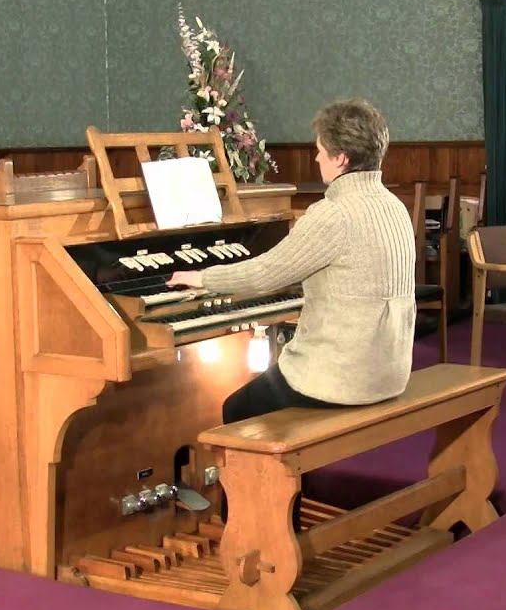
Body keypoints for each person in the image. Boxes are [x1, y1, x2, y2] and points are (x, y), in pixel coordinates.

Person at [166, 99, 416, 426]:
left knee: (235, 409)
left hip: (343, 379)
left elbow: (263, 274)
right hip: (389, 373)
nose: (316, 158)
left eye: (320, 150)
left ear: (341, 158)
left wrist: (202, 278)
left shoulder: (334, 214)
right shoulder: (395, 206)